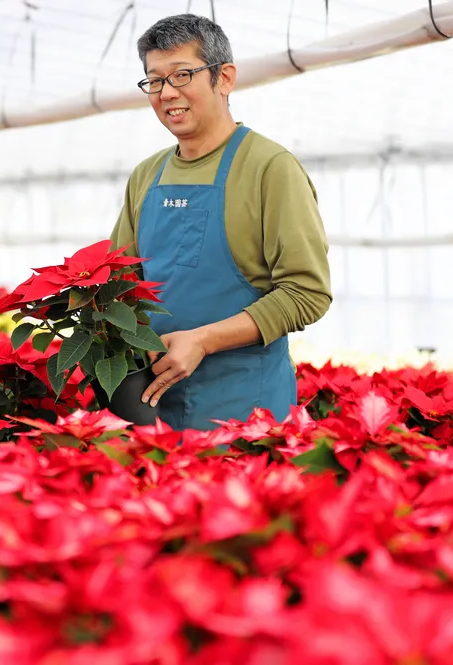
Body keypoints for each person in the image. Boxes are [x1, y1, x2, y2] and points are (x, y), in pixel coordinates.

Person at [108, 14, 332, 430]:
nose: (167, 93)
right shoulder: (147, 175)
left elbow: (307, 292)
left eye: (182, 75)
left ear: (224, 77)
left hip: (246, 410)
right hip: (153, 407)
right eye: (154, 80)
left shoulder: (270, 168)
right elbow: (119, 282)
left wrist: (203, 340)